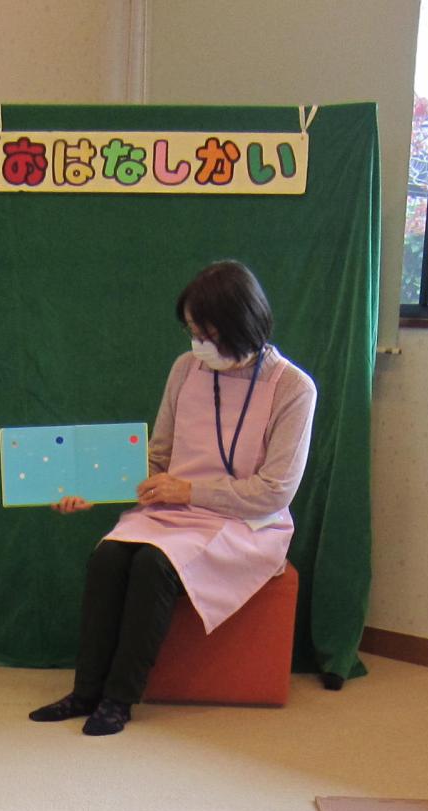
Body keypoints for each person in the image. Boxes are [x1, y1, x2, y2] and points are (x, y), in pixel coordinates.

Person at [29, 261, 317, 737]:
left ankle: (119, 699)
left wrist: (189, 491)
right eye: (192, 332)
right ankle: (85, 691)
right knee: (108, 557)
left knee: (152, 566)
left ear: (245, 325)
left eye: (209, 334)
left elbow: (274, 491)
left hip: (247, 522)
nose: (199, 344)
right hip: (172, 509)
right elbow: (157, 457)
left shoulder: (293, 388)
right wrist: (91, 490)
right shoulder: (186, 369)